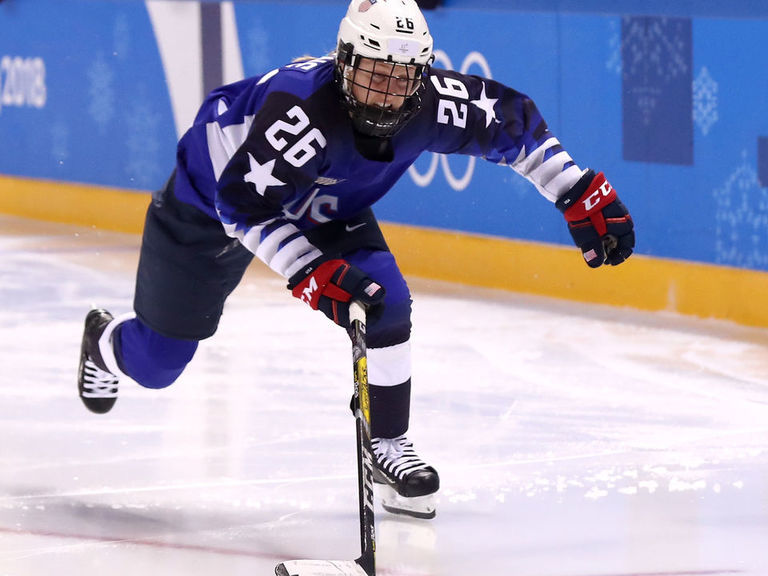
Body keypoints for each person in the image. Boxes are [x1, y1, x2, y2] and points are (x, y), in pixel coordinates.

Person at [77, 0, 634, 520]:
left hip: (326, 206)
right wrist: (309, 273)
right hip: (210, 206)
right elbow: (242, 206)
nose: (388, 92)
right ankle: (104, 342)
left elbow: (514, 122)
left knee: (386, 303)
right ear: (344, 62)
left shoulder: (432, 103)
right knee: (156, 366)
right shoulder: (300, 115)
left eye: (402, 76)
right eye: (373, 73)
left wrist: (574, 188)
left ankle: (388, 444)